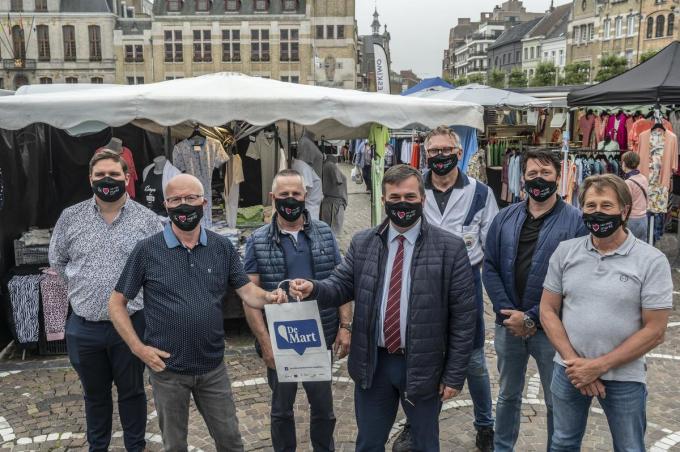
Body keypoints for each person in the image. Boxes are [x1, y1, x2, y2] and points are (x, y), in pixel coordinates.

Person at [290, 164, 478, 452]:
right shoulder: (364, 242)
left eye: (410, 197)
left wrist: (454, 374)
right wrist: (314, 288)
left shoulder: (450, 248)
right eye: (395, 198)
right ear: (383, 201)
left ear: (422, 199)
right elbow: (341, 285)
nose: (402, 203)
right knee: (369, 443)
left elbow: (465, 318)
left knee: (426, 443)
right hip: (373, 364)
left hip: (424, 364)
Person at [108, 174, 287, 452]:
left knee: (230, 441)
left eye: (191, 198)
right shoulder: (147, 250)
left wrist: (271, 297)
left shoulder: (221, 247)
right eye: (176, 199)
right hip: (167, 369)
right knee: (175, 445)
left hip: (212, 366)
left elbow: (247, 292)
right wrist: (138, 348)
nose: (184, 205)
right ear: (165, 205)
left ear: (204, 201)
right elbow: (116, 302)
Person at [541, 174, 672, 451]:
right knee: (562, 442)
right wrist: (575, 363)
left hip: (624, 377)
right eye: (590, 206)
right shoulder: (566, 252)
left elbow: (655, 330)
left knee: (629, 447)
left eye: (606, 206)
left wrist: (598, 366)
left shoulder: (651, 260)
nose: (597, 212)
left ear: (624, 210)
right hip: (569, 371)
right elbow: (548, 310)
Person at [48, 149, 163, 452]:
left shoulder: (147, 220)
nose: (107, 180)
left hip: (132, 325)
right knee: (94, 395)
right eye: (100, 175)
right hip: (84, 327)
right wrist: (84, 288)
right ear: (90, 179)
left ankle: (135, 447)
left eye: (114, 174)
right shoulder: (70, 217)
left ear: (127, 177)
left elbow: (158, 270)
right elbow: (57, 262)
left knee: (132, 393)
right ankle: (97, 447)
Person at [392, 126, 498, 452]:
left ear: (458, 152)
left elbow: (491, 244)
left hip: (466, 287)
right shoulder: (413, 190)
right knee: (421, 358)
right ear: (425, 154)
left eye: (445, 150)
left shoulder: (480, 193)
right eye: (434, 151)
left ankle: (485, 425)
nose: (440, 156)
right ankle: (416, 424)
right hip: (420, 288)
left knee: (475, 362)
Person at [483, 149, 588, 452]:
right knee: (507, 396)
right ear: (522, 178)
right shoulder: (505, 217)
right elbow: (489, 266)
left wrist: (530, 316)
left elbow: (576, 279)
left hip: (553, 331)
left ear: (558, 176)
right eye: (532, 174)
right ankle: (502, 447)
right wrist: (508, 315)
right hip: (509, 328)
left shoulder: (576, 222)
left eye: (545, 173)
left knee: (558, 398)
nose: (538, 179)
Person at [243, 169, 353, 452]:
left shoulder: (325, 233)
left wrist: (345, 326)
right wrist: (266, 344)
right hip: (280, 339)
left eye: (295, 194)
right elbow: (249, 297)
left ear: (305, 196)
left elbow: (340, 283)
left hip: (318, 336)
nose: (290, 200)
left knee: (324, 410)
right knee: (281, 410)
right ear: (273, 198)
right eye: (283, 195)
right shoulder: (257, 240)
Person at [622, 151, 649, 242]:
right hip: (643, 218)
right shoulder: (643, 178)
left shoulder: (628, 182)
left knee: (629, 247)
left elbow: (625, 203)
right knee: (641, 247)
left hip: (632, 220)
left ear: (625, 164)